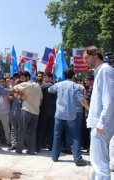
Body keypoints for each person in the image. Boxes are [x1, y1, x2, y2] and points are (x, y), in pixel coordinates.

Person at [82, 46, 114, 179]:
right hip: (97, 122)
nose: (85, 62)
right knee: (96, 161)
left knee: (99, 163)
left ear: (95, 54)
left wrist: (102, 122)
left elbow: (109, 98)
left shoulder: (105, 70)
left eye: (86, 58)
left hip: (100, 124)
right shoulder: (100, 71)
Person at [48, 68, 89, 166]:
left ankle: (54, 156)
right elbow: (81, 99)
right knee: (75, 136)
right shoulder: (75, 86)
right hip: (70, 115)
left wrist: (55, 83)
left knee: (57, 135)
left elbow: (50, 90)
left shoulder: (58, 84)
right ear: (73, 76)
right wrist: (88, 108)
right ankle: (78, 159)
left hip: (59, 114)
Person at [12, 71, 43, 155]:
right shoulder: (38, 86)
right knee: (33, 132)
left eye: (22, 78)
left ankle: (19, 149)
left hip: (26, 110)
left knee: (22, 130)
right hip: (36, 112)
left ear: (27, 78)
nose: (21, 80)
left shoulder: (26, 84)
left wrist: (20, 94)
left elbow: (12, 89)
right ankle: (31, 150)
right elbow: (40, 99)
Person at [36, 72, 56, 152]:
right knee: (51, 130)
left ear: (51, 78)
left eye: (46, 77)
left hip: (45, 110)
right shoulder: (56, 86)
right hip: (53, 110)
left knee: (41, 129)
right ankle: (51, 146)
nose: (44, 79)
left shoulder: (45, 86)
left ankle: (38, 147)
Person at [0, 77, 11, 145]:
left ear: (5, 82)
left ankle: (9, 142)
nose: (1, 83)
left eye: (3, 82)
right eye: (0, 82)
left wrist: (8, 97)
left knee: (7, 128)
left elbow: (11, 98)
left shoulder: (8, 90)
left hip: (5, 113)